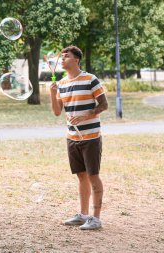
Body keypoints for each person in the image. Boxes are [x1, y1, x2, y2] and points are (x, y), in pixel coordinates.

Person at [49, 45, 108, 230]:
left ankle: (96, 218)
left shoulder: (91, 79)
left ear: (76, 60)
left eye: (66, 56)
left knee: (93, 176)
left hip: (91, 136)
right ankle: (83, 215)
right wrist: (52, 93)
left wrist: (87, 115)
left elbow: (104, 104)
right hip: (72, 137)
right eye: (62, 56)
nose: (62, 59)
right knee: (81, 176)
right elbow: (57, 112)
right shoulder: (62, 84)